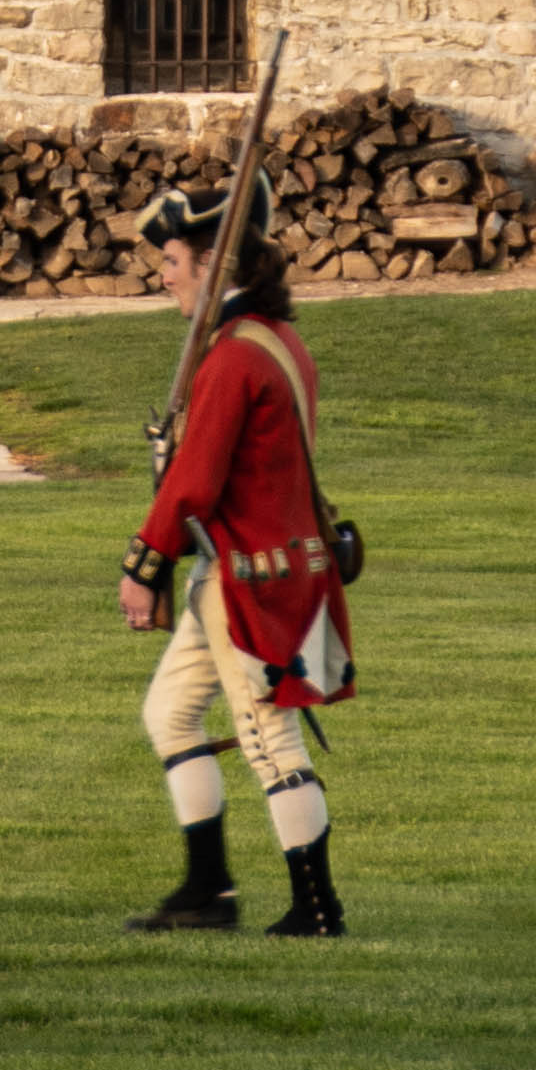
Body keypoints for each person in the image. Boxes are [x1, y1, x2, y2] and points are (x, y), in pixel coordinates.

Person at [116, 179, 354, 937]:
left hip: (250, 578)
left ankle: (316, 908)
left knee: (268, 738)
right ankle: (207, 892)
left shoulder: (233, 358)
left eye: (173, 259)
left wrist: (142, 566)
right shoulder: (270, 342)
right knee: (170, 713)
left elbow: (195, 482)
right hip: (255, 568)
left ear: (213, 263)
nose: (164, 275)